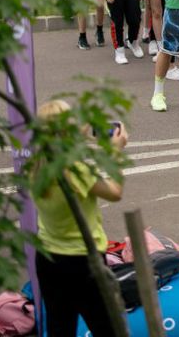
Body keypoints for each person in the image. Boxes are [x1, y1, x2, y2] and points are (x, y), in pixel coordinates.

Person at [33, 99, 126, 337]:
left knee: (60, 326)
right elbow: (115, 192)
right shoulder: (75, 170)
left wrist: (87, 132)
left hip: (48, 257)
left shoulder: (36, 165)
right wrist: (115, 152)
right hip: (84, 260)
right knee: (106, 327)